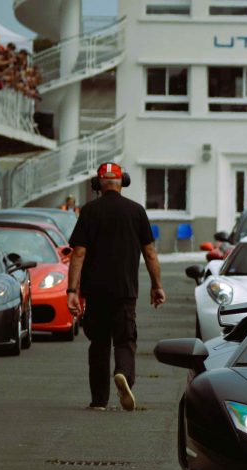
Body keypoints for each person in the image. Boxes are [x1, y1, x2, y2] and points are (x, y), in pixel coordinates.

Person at [67, 162, 166, 411]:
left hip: (96, 293)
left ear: (98, 184)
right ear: (123, 181)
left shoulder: (89, 211)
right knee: (125, 340)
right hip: (125, 292)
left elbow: (78, 252)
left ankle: (99, 401)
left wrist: (72, 291)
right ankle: (123, 374)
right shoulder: (136, 211)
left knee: (99, 343)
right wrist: (157, 286)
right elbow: (150, 253)